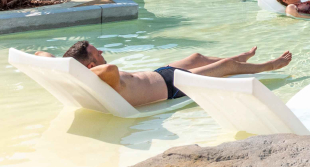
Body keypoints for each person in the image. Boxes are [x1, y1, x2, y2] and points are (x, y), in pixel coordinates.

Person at [36, 41, 291, 108]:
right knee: (226, 66)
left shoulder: (90, 74)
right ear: (90, 66)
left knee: (196, 57)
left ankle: (242, 57)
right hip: (172, 87)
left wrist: (65, 65)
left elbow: (40, 53)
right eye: (96, 52)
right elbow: (110, 68)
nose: (102, 51)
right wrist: (78, 69)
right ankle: (270, 66)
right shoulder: (104, 77)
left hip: (161, 74)